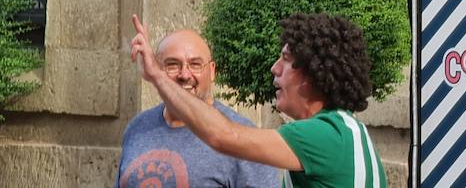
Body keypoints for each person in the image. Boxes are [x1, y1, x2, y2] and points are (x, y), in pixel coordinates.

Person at [130, 13, 386, 188]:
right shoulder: (344, 130)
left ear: (312, 73)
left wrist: (157, 75)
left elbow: (223, 136)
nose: (274, 68)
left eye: (286, 60)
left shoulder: (323, 135)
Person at [117, 29, 282, 188]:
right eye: (172, 65)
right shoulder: (138, 127)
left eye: (195, 65)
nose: (184, 75)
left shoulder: (242, 137)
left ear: (212, 71)